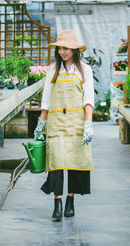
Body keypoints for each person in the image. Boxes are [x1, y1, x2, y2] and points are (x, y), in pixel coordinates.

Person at [33, 29, 94, 220]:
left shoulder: (85, 70)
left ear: (75, 50)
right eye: (60, 48)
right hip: (56, 123)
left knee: (75, 164)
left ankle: (70, 201)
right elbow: (46, 99)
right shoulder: (53, 69)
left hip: (76, 123)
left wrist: (89, 124)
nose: (63, 52)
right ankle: (57, 203)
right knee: (56, 163)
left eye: (66, 48)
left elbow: (89, 98)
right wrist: (41, 124)